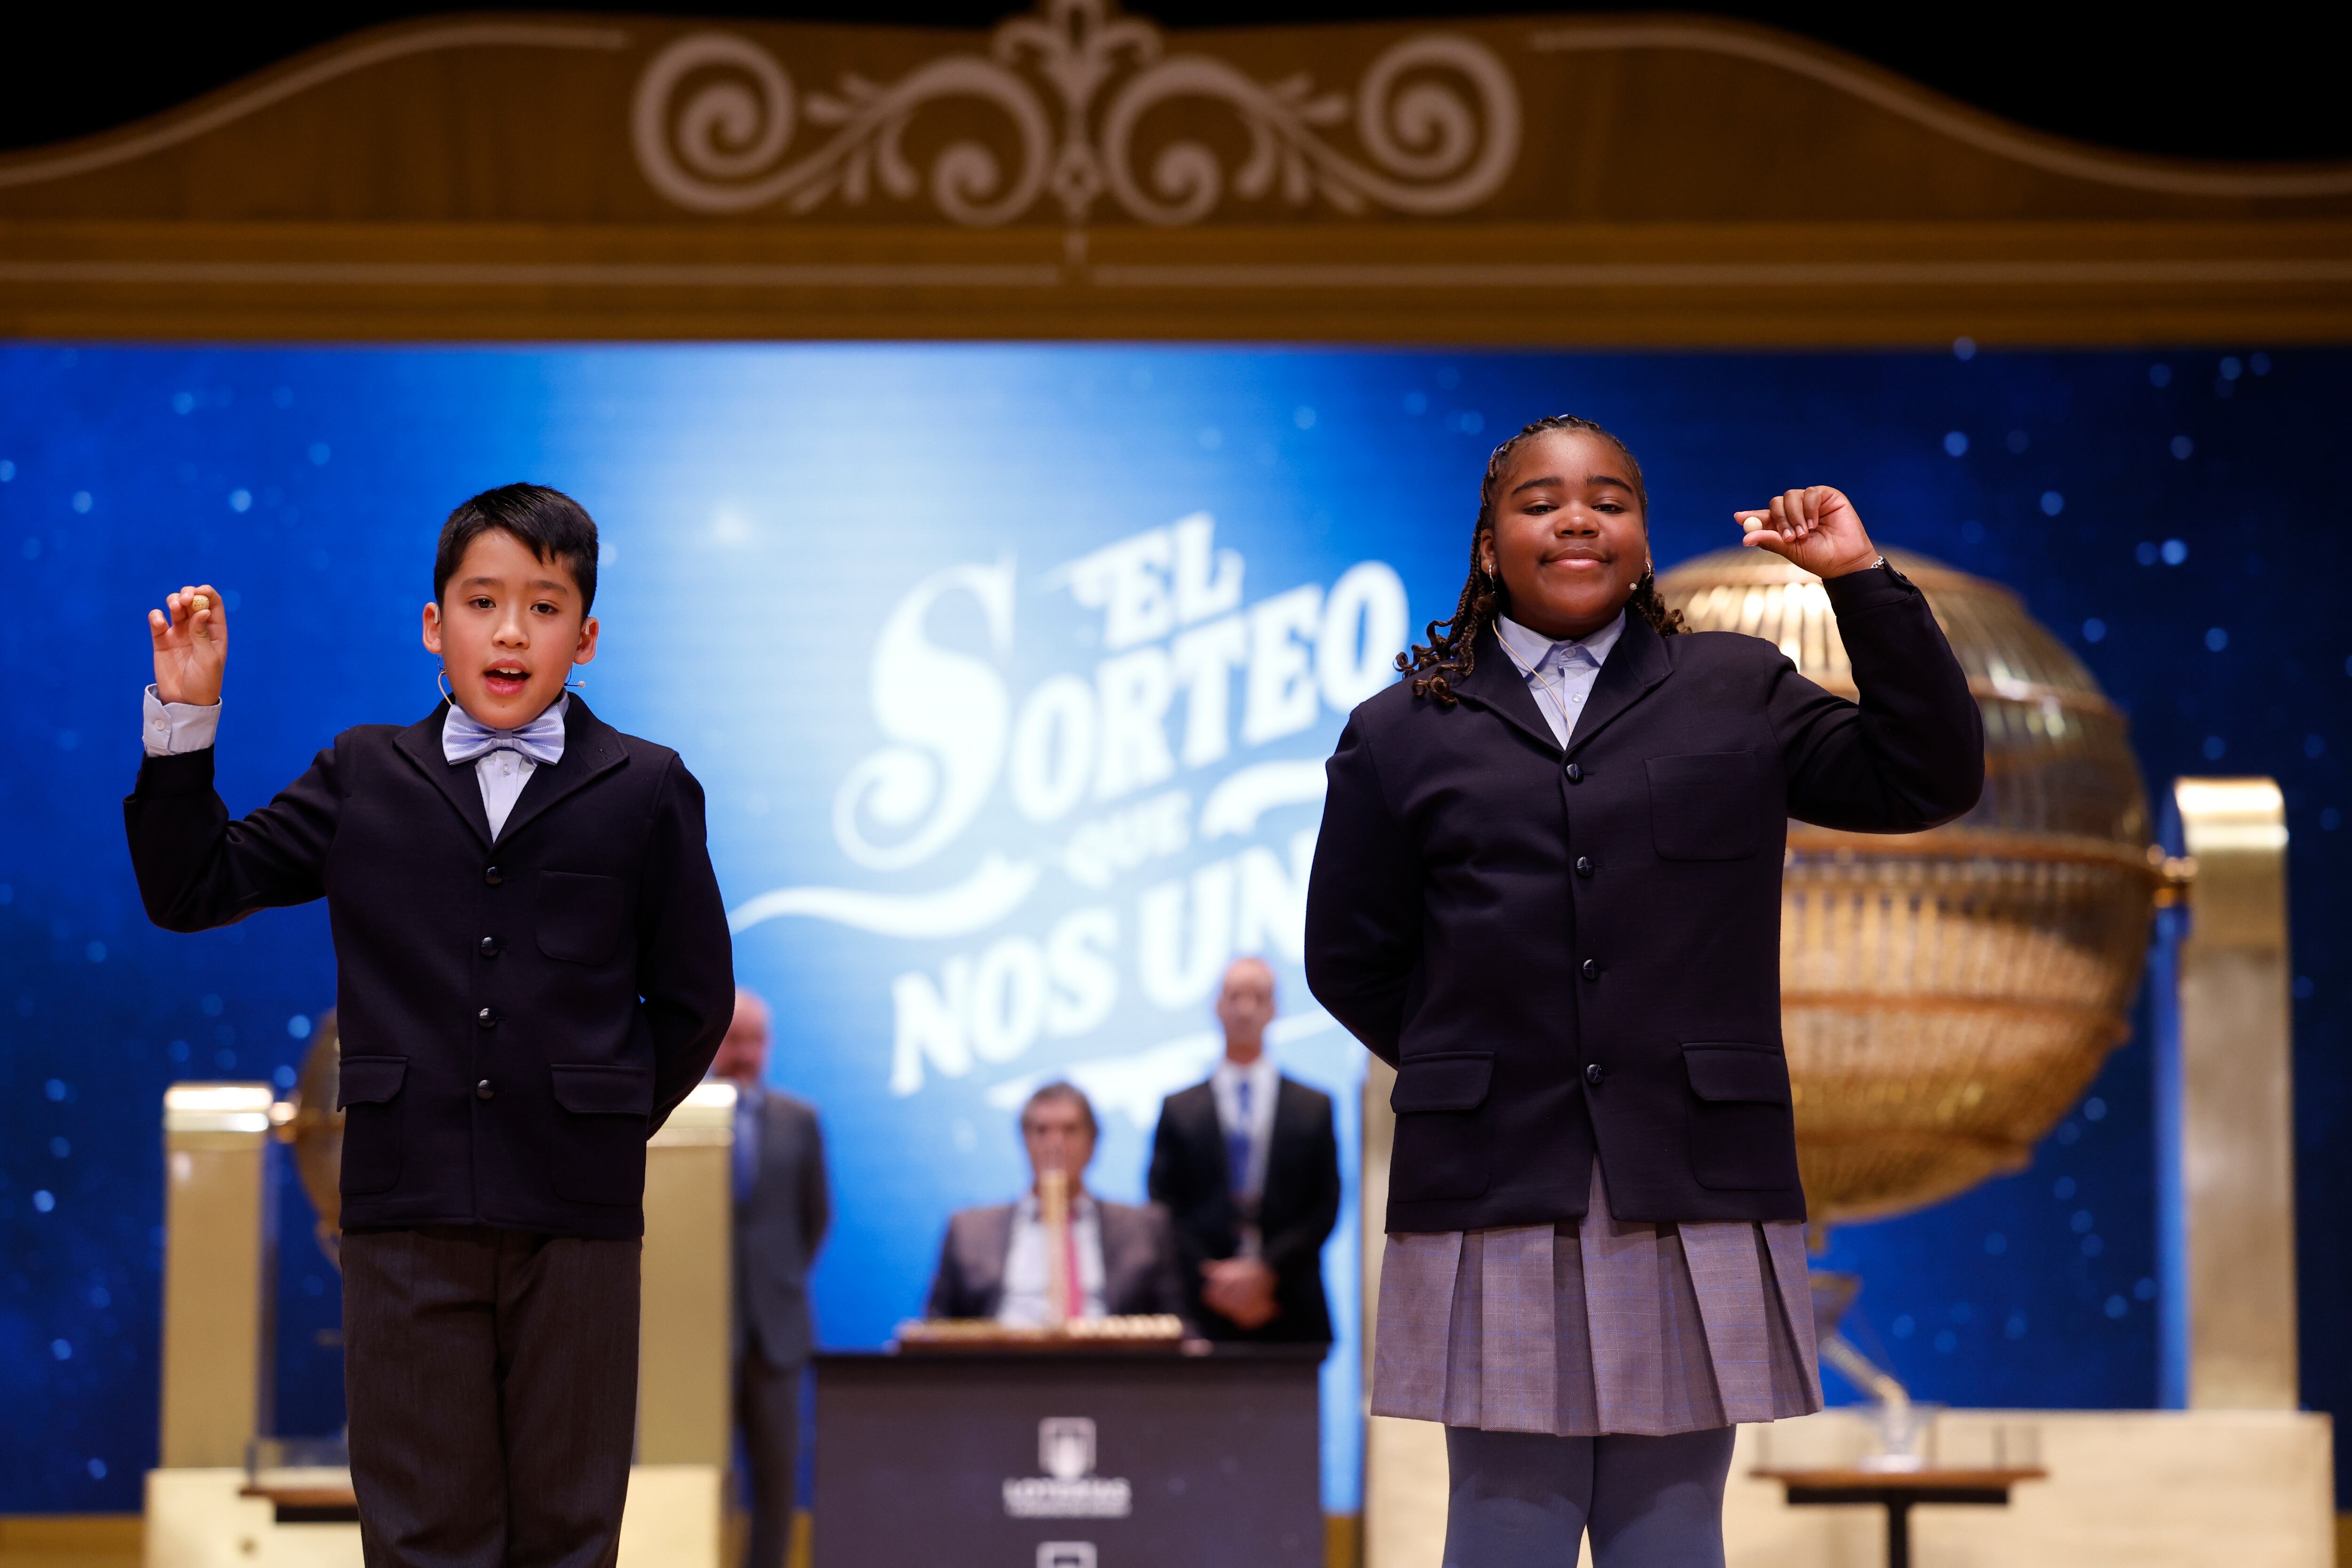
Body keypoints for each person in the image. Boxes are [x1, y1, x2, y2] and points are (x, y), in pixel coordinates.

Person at [1304, 416, 1982, 1568]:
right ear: (1487, 545)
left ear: (1644, 538)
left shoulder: (1736, 687)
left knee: (1667, 1531)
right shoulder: (1398, 732)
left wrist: (1858, 582)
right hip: (1495, 1181)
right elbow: (1348, 956)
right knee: (1502, 1526)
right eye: (1541, 501)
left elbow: (1928, 774)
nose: (1578, 518)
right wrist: (1478, 1060)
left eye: (1609, 500)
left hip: (1691, 1174)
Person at [126, 485, 734, 1568]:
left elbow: (696, 1003)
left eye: (544, 607)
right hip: (402, 1217)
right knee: (420, 1539)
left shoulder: (646, 786)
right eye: (482, 601)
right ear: (432, 624)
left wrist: (599, 1120)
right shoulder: (365, 774)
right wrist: (186, 726)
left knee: (568, 1535)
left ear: (584, 638)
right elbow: (191, 887)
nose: (511, 632)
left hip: (578, 1228)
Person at [1148, 956, 1341, 1342]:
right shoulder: (1179, 1108)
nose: (1244, 1008)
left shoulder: (1313, 1105)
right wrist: (1215, 1279)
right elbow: (1163, 1207)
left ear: (1274, 1009)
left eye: (1258, 996)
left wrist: (1266, 1272)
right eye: (1234, 995)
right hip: (1202, 1309)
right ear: (1218, 1006)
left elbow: (1325, 1205)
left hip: (1290, 1305)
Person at [710, 989, 829, 1568]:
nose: (745, 1053)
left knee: (779, 1479)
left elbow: (815, 1220)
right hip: (698, 1337)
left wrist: (774, 1283)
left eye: (756, 1040)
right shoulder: (677, 1116)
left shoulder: (799, 1121)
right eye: (735, 1039)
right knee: (703, 1480)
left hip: (777, 1334)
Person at [927, 1083, 1186, 1324]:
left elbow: (1177, 1326)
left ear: (1093, 1142)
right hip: (1003, 1367)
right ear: (1025, 1141)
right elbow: (935, 1330)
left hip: (1107, 1367)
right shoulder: (969, 1232)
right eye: (1041, 1131)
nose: (1055, 1144)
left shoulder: (1145, 1229)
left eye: (1070, 1130)